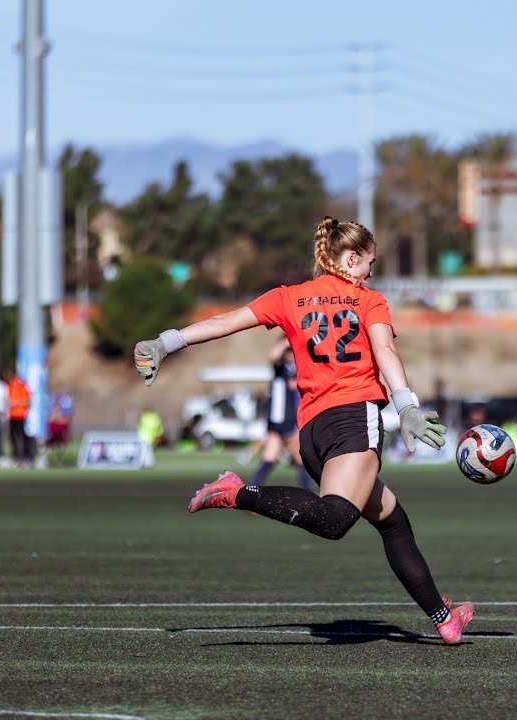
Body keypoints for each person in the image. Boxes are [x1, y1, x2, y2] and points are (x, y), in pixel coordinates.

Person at [132, 216, 474, 645]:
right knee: (334, 521)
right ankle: (237, 492)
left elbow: (224, 321)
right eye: (369, 262)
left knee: (392, 521)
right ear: (351, 258)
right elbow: (384, 349)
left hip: (313, 432)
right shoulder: (369, 301)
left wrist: (164, 342)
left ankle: (445, 618)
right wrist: (406, 405)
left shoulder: (288, 297)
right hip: (353, 420)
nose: (371, 271)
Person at [250, 339, 313, 490]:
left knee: (269, 459)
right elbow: (273, 356)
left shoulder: (299, 369)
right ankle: (310, 498)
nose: (291, 354)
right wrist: (288, 340)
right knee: (301, 461)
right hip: (282, 422)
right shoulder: (282, 368)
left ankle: (250, 493)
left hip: (287, 421)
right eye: (289, 351)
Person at [5, 366, 33, 468]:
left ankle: (27, 458)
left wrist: (15, 403)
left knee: (24, 437)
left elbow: (28, 400)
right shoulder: (8, 386)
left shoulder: (21, 385)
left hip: (21, 415)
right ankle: (16, 458)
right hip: (11, 416)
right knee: (12, 438)